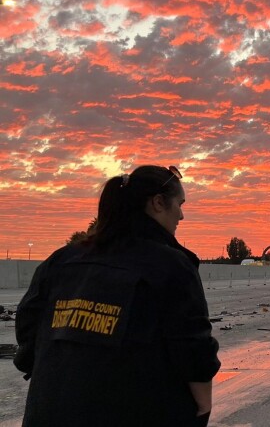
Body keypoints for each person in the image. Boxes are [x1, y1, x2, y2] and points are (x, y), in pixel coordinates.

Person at [15, 165, 220, 427]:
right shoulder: (171, 265)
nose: (182, 215)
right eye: (179, 204)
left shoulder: (63, 259)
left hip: (49, 409)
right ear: (158, 203)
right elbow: (193, 347)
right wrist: (203, 405)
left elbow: (28, 326)